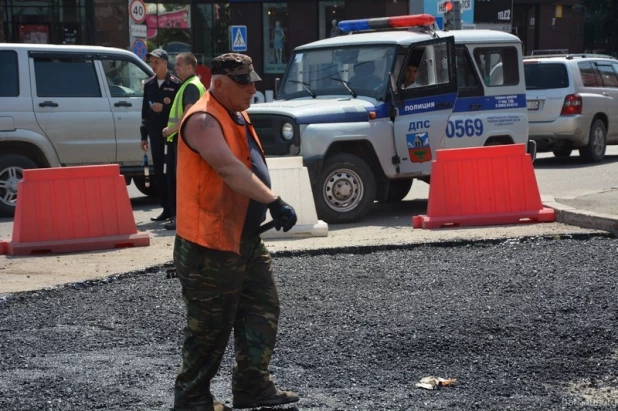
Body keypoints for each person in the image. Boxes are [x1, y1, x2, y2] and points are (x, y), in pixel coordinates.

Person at [172, 53, 299, 411]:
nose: (252, 88)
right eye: (244, 83)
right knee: (210, 327)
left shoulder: (236, 113)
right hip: (208, 244)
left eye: (253, 81)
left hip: (244, 238)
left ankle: (252, 387)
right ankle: (192, 400)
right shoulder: (202, 119)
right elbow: (228, 168)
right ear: (219, 83)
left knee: (262, 308)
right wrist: (274, 200)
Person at [161, 53, 207, 231]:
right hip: (185, 139)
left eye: (179, 65)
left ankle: (179, 218)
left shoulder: (190, 87)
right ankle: (180, 216)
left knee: (180, 181)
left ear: (190, 67)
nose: (175, 68)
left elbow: (188, 114)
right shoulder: (190, 85)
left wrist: (170, 130)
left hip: (182, 140)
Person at [140, 48, 181, 223]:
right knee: (159, 171)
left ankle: (175, 210)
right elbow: (144, 111)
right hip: (155, 133)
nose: (153, 65)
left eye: (156, 62)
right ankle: (165, 208)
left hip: (171, 133)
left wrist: (163, 107)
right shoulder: (148, 84)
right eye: (151, 62)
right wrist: (143, 136)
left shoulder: (176, 83)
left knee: (172, 172)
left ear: (165, 63)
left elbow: (179, 108)